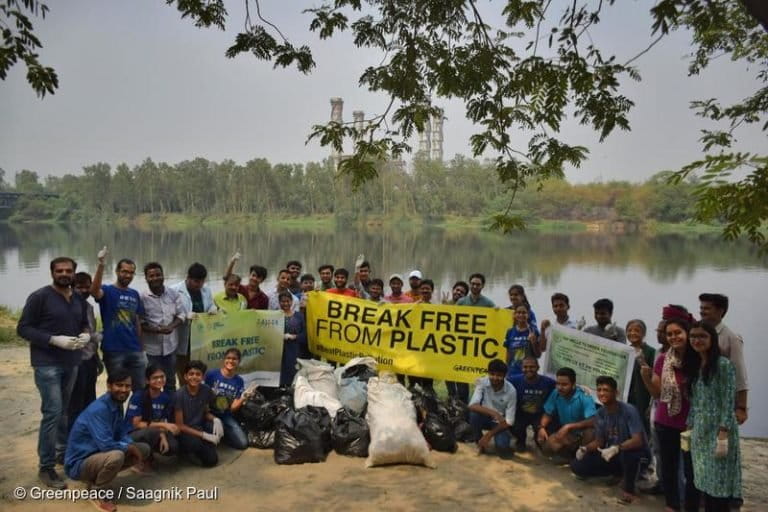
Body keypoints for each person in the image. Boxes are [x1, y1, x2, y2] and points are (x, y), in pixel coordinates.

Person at [17, 256, 90, 489]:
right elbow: (23, 328)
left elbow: (82, 324)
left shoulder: (77, 298)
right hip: (47, 363)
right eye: (59, 270)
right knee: (53, 412)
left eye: (68, 270)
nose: (64, 274)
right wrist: (52, 340)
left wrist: (86, 333)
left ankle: (62, 452)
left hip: (72, 362)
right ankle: (46, 467)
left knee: (64, 411)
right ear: (52, 273)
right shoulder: (40, 297)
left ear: (74, 273)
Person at [65, 370, 151, 512]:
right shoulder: (99, 409)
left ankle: (95, 478)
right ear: (109, 386)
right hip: (79, 463)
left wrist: (130, 445)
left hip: (97, 454)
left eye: (127, 386)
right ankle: (98, 493)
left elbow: (121, 432)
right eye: (119, 385)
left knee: (144, 449)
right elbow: (106, 445)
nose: (124, 389)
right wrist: (129, 448)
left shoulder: (117, 403)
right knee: (117, 455)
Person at [639, 318, 699, 512]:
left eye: (678, 332)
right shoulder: (663, 359)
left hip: (691, 425)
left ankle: (690, 507)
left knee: (691, 471)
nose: (674, 337)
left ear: (688, 333)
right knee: (669, 467)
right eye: (669, 334)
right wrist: (645, 378)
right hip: (666, 421)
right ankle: (672, 505)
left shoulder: (698, 359)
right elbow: (656, 393)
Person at [570, 376, 651, 505]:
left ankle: (630, 490)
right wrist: (585, 448)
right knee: (576, 465)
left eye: (606, 390)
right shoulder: (601, 413)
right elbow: (599, 442)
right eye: (599, 390)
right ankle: (618, 473)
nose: (602, 393)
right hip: (612, 453)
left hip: (636, 454)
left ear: (616, 392)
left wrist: (617, 447)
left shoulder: (629, 410)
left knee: (629, 455)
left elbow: (638, 441)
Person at [687, 321, 742, 511]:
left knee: (719, 485)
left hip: (719, 433)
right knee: (703, 481)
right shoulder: (695, 365)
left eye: (702, 336)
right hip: (700, 434)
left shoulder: (724, 365)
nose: (697, 340)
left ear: (712, 339)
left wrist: (723, 434)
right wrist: (690, 426)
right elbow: (695, 401)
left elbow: (729, 400)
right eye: (693, 336)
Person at [91, 248, 146, 391]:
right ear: (117, 272)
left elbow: (137, 322)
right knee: (117, 390)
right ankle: (116, 414)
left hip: (135, 350)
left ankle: (135, 414)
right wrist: (101, 265)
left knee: (140, 390)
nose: (128, 275)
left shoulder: (134, 294)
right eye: (124, 271)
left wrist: (141, 348)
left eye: (131, 273)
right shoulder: (108, 290)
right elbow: (94, 292)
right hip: (114, 350)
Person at [698, 293, 748, 425]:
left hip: (722, 399)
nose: (702, 312)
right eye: (701, 308)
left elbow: (740, 373)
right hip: (701, 398)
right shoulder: (697, 333)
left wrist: (741, 407)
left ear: (720, 311)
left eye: (707, 308)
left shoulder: (732, 338)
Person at [67, 272, 104, 432]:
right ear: (72, 287)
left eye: (87, 287)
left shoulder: (88, 306)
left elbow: (90, 333)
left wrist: (97, 358)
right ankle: (73, 437)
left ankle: (88, 433)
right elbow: (81, 335)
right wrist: (102, 335)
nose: (83, 291)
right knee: (76, 401)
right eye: (78, 287)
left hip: (89, 360)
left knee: (90, 398)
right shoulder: (68, 307)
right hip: (76, 361)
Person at [140, 262, 185, 392]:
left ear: (163, 276)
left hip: (170, 348)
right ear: (146, 278)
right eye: (151, 276)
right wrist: (158, 330)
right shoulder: (142, 298)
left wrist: (172, 326)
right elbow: (140, 323)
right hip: (151, 350)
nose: (155, 278)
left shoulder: (173, 294)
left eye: (158, 275)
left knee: (170, 382)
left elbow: (181, 314)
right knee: (151, 383)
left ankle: (170, 410)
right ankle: (152, 410)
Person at [170, 262, 217, 387]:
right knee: (184, 374)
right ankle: (184, 398)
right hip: (182, 340)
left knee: (198, 373)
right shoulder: (174, 290)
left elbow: (210, 304)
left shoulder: (206, 290)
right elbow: (169, 314)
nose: (199, 285)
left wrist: (212, 309)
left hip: (200, 339)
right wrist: (184, 316)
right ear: (188, 278)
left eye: (201, 281)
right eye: (196, 281)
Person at [537, 367, 596, 459]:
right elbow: (548, 413)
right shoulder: (556, 393)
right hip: (567, 433)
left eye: (564, 384)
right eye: (558, 384)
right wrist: (541, 427)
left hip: (581, 433)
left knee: (591, 432)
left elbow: (593, 420)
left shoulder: (584, 397)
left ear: (573, 384)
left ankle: (583, 455)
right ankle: (569, 455)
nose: (560, 387)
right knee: (546, 449)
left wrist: (569, 426)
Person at [126, 365, 179, 462]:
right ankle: (138, 460)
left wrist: (162, 435)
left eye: (162, 377)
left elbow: (163, 419)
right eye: (155, 377)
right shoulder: (139, 396)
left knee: (173, 446)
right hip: (133, 434)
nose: (159, 380)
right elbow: (136, 424)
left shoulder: (165, 397)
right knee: (152, 432)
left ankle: (149, 452)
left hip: (154, 431)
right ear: (147, 381)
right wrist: (163, 425)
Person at [175, 360, 221, 467]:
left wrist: (215, 419)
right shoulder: (179, 395)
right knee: (208, 458)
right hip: (185, 432)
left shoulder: (206, 390)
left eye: (198, 374)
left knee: (212, 459)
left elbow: (205, 411)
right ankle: (185, 453)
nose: (194, 377)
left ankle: (204, 448)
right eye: (191, 374)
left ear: (203, 377)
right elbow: (180, 426)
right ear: (185, 376)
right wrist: (204, 435)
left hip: (199, 427)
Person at [468, 359, 517, 458]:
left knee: (502, 447)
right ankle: (479, 442)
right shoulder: (482, 382)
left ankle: (498, 439)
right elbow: (472, 405)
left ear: (505, 375)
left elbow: (509, 421)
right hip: (486, 417)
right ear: (488, 373)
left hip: (501, 423)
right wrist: (494, 413)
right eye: (492, 374)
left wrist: (489, 435)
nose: (495, 378)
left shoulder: (511, 391)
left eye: (499, 375)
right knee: (474, 415)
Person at [205, 348, 248, 450]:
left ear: (239, 362)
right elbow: (201, 397)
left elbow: (232, 408)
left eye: (234, 359)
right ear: (224, 359)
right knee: (212, 429)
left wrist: (243, 397)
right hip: (208, 414)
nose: (231, 361)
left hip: (225, 416)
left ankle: (223, 436)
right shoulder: (212, 374)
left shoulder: (239, 381)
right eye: (228, 358)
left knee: (243, 444)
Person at [509, 357, 556, 452]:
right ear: (521, 368)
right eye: (525, 367)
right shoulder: (514, 380)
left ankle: (537, 439)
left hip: (539, 415)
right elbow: (501, 382)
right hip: (521, 413)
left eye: (532, 367)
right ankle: (521, 441)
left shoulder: (548, 382)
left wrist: (580, 388)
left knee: (542, 439)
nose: (528, 369)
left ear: (538, 367)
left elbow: (561, 385)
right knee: (515, 426)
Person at [625, 319, 656, 435]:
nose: (632, 333)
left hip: (643, 398)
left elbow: (654, 376)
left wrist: (642, 361)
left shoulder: (651, 352)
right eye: (629, 330)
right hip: (626, 397)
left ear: (644, 333)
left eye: (637, 330)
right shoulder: (624, 351)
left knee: (642, 430)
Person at [504, 305, 541, 380]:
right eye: (518, 312)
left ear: (528, 315)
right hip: (512, 373)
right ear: (514, 315)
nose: (521, 315)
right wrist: (506, 371)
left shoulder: (534, 331)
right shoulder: (510, 332)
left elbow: (538, 354)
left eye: (524, 313)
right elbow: (508, 354)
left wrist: (533, 342)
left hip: (528, 373)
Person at [279, 291, 307, 385]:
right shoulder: (274, 316)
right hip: (280, 350)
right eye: (283, 301)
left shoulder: (299, 316)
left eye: (288, 301)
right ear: (279, 303)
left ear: (292, 302)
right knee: (281, 371)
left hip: (295, 350)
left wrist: (294, 336)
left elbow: (304, 335)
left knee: (293, 370)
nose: (285, 304)